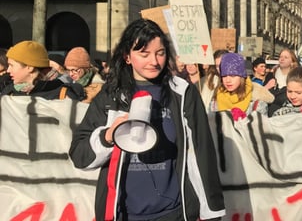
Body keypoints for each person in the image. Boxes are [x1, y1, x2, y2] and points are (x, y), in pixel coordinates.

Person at [68, 18, 225, 221]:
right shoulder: (111, 95)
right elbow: (79, 156)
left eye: (160, 53)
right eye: (144, 54)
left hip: (174, 212)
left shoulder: (183, 93)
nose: (154, 61)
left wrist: (211, 212)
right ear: (127, 56)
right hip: (123, 213)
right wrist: (108, 136)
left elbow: (202, 153)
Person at [1, 41, 83, 100]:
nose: (8, 70)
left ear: (30, 67)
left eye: (12, 65)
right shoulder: (9, 93)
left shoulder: (63, 94)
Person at [212, 52, 274, 118]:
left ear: (241, 76)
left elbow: (261, 127)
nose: (228, 80)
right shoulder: (216, 101)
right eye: (224, 76)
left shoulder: (257, 103)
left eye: (233, 75)